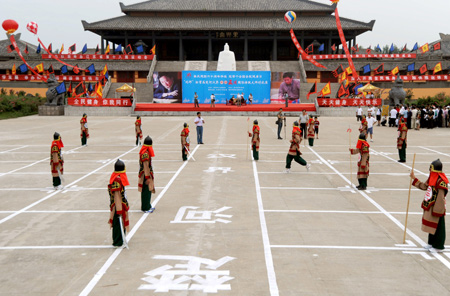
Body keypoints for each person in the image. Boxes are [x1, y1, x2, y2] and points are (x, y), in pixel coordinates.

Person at [410, 159, 448, 253]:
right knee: (431, 225)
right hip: (430, 205)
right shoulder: (432, 178)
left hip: (437, 208)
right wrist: (414, 178)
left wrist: (438, 210)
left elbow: (440, 198)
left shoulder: (441, 181)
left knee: (438, 227)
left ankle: (438, 246)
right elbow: (424, 186)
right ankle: (431, 243)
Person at [107, 159, 130, 248]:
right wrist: (119, 211)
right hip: (118, 206)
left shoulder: (118, 178)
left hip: (121, 204)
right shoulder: (117, 180)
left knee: (122, 223)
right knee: (118, 224)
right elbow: (117, 196)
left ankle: (121, 239)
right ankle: (117, 241)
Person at [138, 136, 156, 213]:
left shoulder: (145, 152)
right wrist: (148, 177)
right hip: (145, 175)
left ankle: (148, 205)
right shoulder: (145, 154)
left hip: (146, 174)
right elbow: (146, 166)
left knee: (148, 190)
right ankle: (145, 207)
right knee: (146, 191)